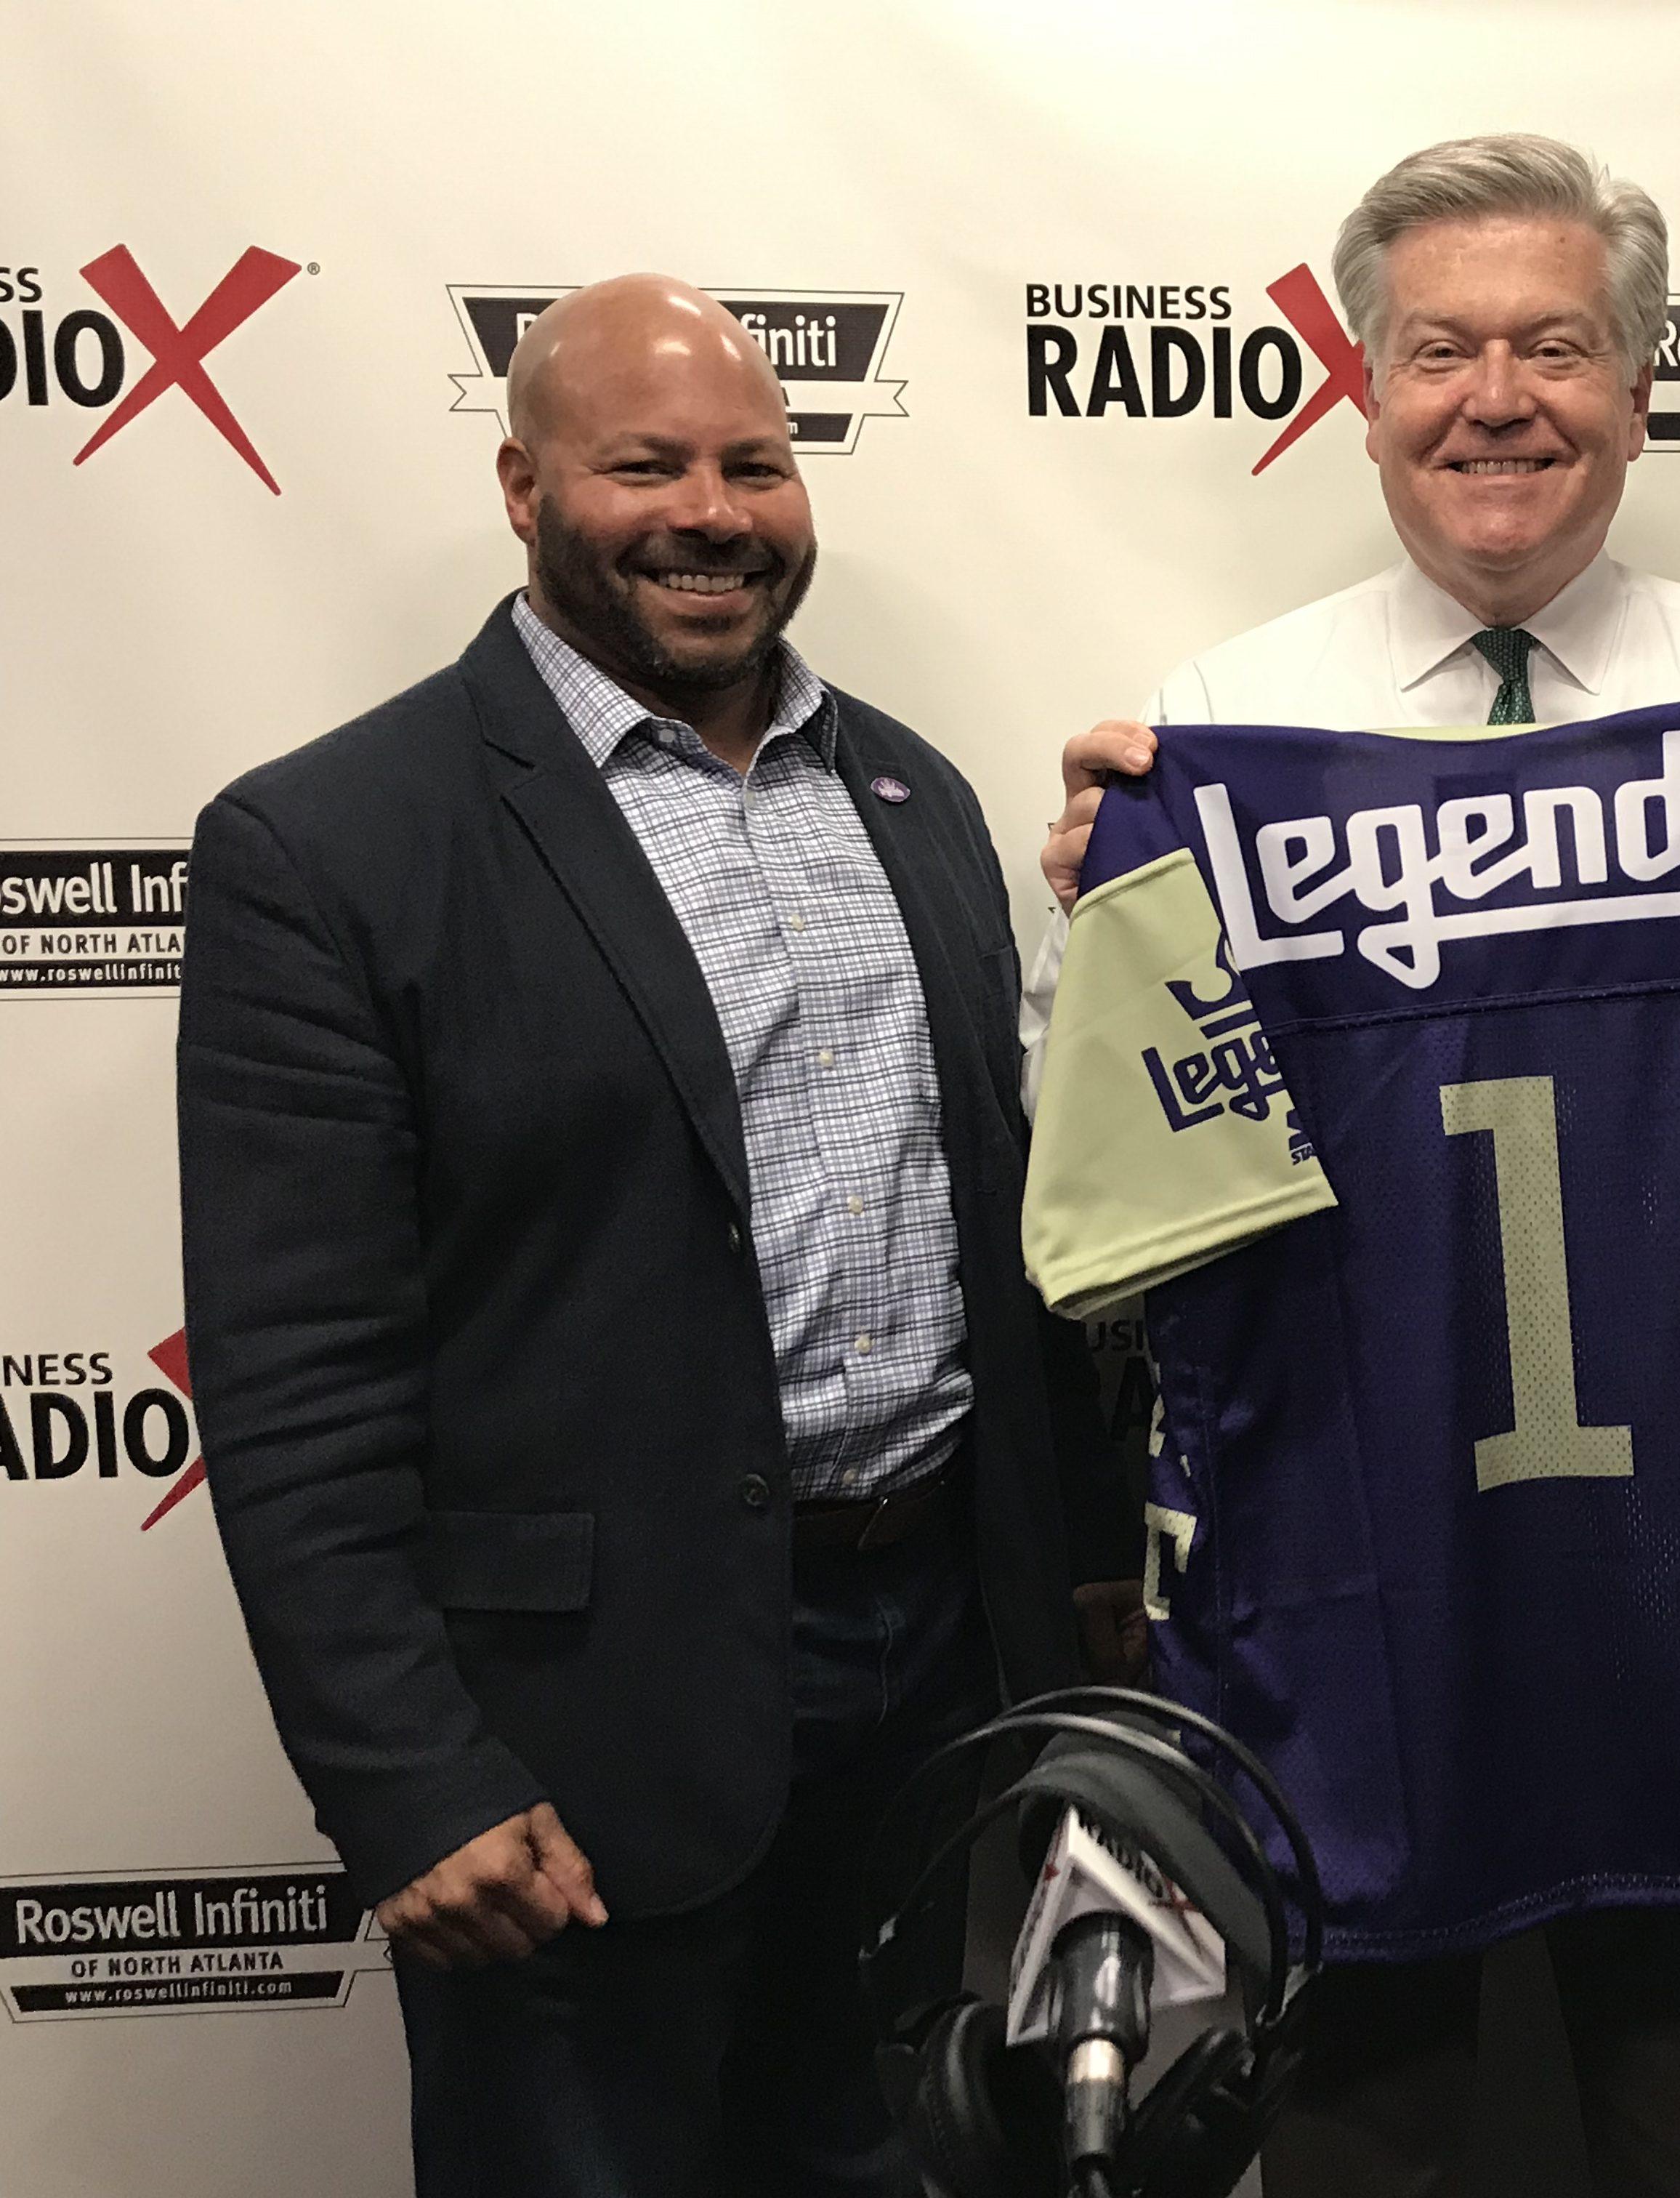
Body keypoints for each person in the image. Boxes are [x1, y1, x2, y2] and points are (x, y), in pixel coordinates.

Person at [1024, 135, 1680, 2198]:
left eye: (1555, 348)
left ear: (1641, 388)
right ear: (1364, 391)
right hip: (1353, 1612)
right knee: (1365, 2155)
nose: (1495, 398)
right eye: (1440, 351)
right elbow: (1106, 1177)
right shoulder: (1211, 728)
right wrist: (1097, 922)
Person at [176, 275, 1132, 2198]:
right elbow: (295, 1378)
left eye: (755, 465)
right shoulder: (332, 845)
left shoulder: (913, 793)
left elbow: (1015, 1233)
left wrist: (1086, 1603)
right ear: (524, 486)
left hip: (938, 1686)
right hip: (578, 1737)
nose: (711, 513)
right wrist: (409, 1779)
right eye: (647, 466)